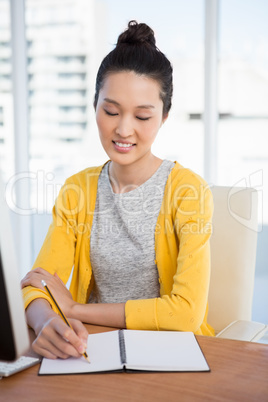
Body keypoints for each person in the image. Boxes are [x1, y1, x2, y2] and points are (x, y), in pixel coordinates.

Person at [21, 20, 214, 360]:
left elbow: (185, 313)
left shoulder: (187, 191)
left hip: (170, 354)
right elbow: (38, 282)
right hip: (90, 349)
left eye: (142, 117)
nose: (124, 129)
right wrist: (46, 319)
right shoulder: (77, 189)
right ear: (95, 105)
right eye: (111, 111)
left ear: (164, 117)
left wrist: (77, 309)